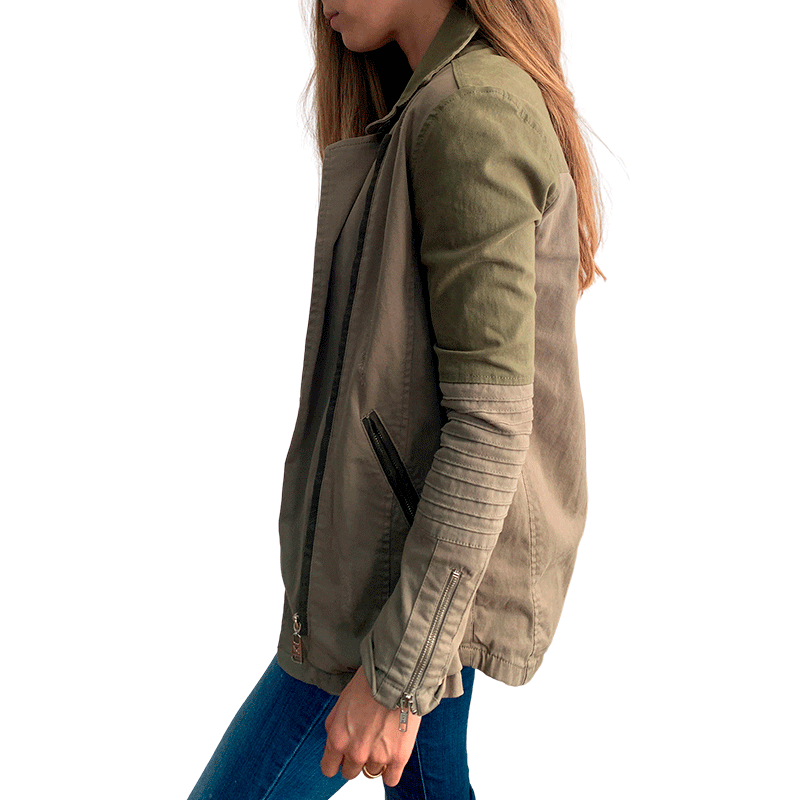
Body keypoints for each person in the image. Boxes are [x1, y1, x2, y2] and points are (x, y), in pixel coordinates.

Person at [186, 0, 605, 797]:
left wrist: (396, 677)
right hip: (411, 567)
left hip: (400, 592)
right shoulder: (433, 104)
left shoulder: (471, 114)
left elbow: (489, 428)